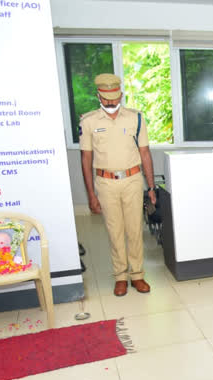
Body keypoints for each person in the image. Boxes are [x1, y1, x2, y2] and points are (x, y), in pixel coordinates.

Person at [79, 73, 156, 297]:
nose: (111, 102)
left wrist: (150, 187)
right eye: (106, 98)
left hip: (132, 180)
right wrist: (90, 194)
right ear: (98, 96)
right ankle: (120, 276)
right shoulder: (89, 121)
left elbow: (145, 153)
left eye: (114, 97)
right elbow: (86, 159)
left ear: (120, 94)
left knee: (134, 230)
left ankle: (138, 275)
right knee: (115, 232)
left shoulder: (136, 118)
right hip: (105, 182)